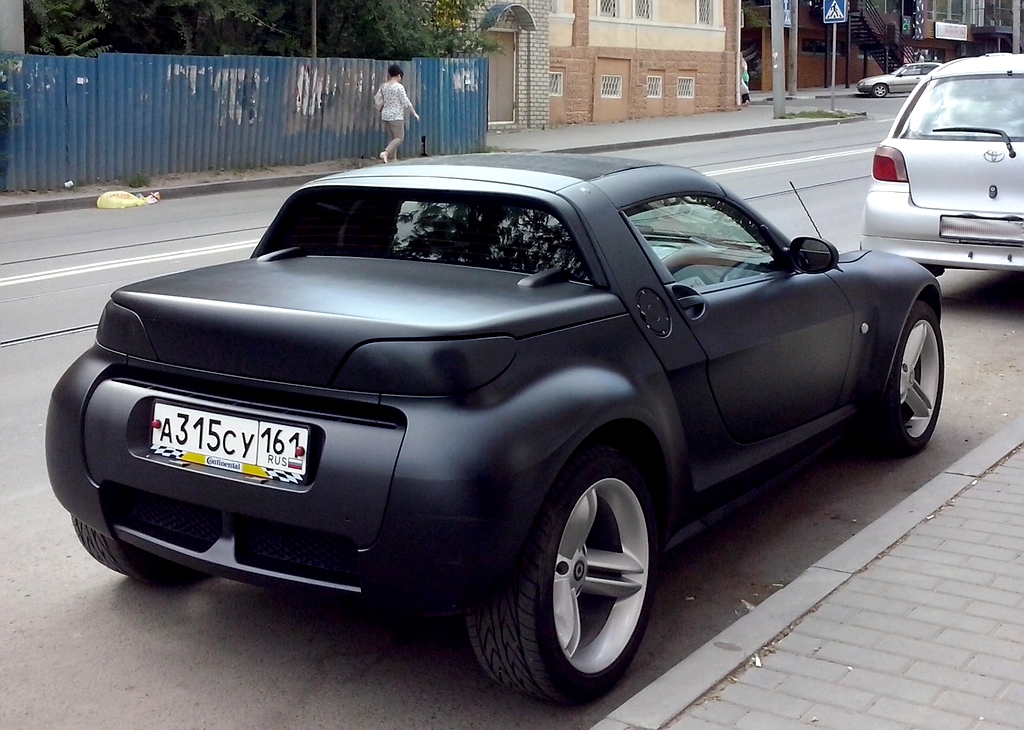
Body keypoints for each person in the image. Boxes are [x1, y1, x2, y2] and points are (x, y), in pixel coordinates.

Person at [377, 64, 420, 164]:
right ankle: (386, 153)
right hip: (396, 116)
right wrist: (414, 113)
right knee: (399, 138)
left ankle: (393, 159)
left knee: (392, 138)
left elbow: (378, 98)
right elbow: (405, 101)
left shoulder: (383, 86)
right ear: (399, 75)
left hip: (385, 115)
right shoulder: (399, 87)